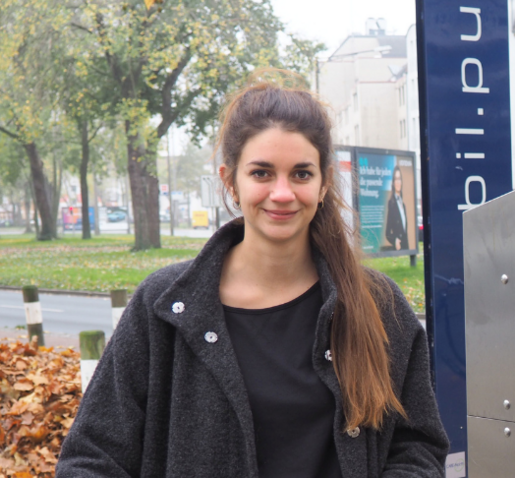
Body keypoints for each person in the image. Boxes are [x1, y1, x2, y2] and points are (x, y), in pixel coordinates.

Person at [56, 72, 449, 478]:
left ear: (325, 182)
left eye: (301, 174)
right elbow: (91, 457)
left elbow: (418, 447)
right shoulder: (164, 308)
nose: (282, 193)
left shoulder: (377, 305)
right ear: (230, 181)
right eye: (261, 173)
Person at [385, 165, 409, 251]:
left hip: (406, 247)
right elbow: (387, 233)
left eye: (399, 179)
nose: (398, 182)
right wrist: (395, 240)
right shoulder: (391, 204)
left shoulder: (404, 205)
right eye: (396, 179)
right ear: (393, 182)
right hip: (399, 248)